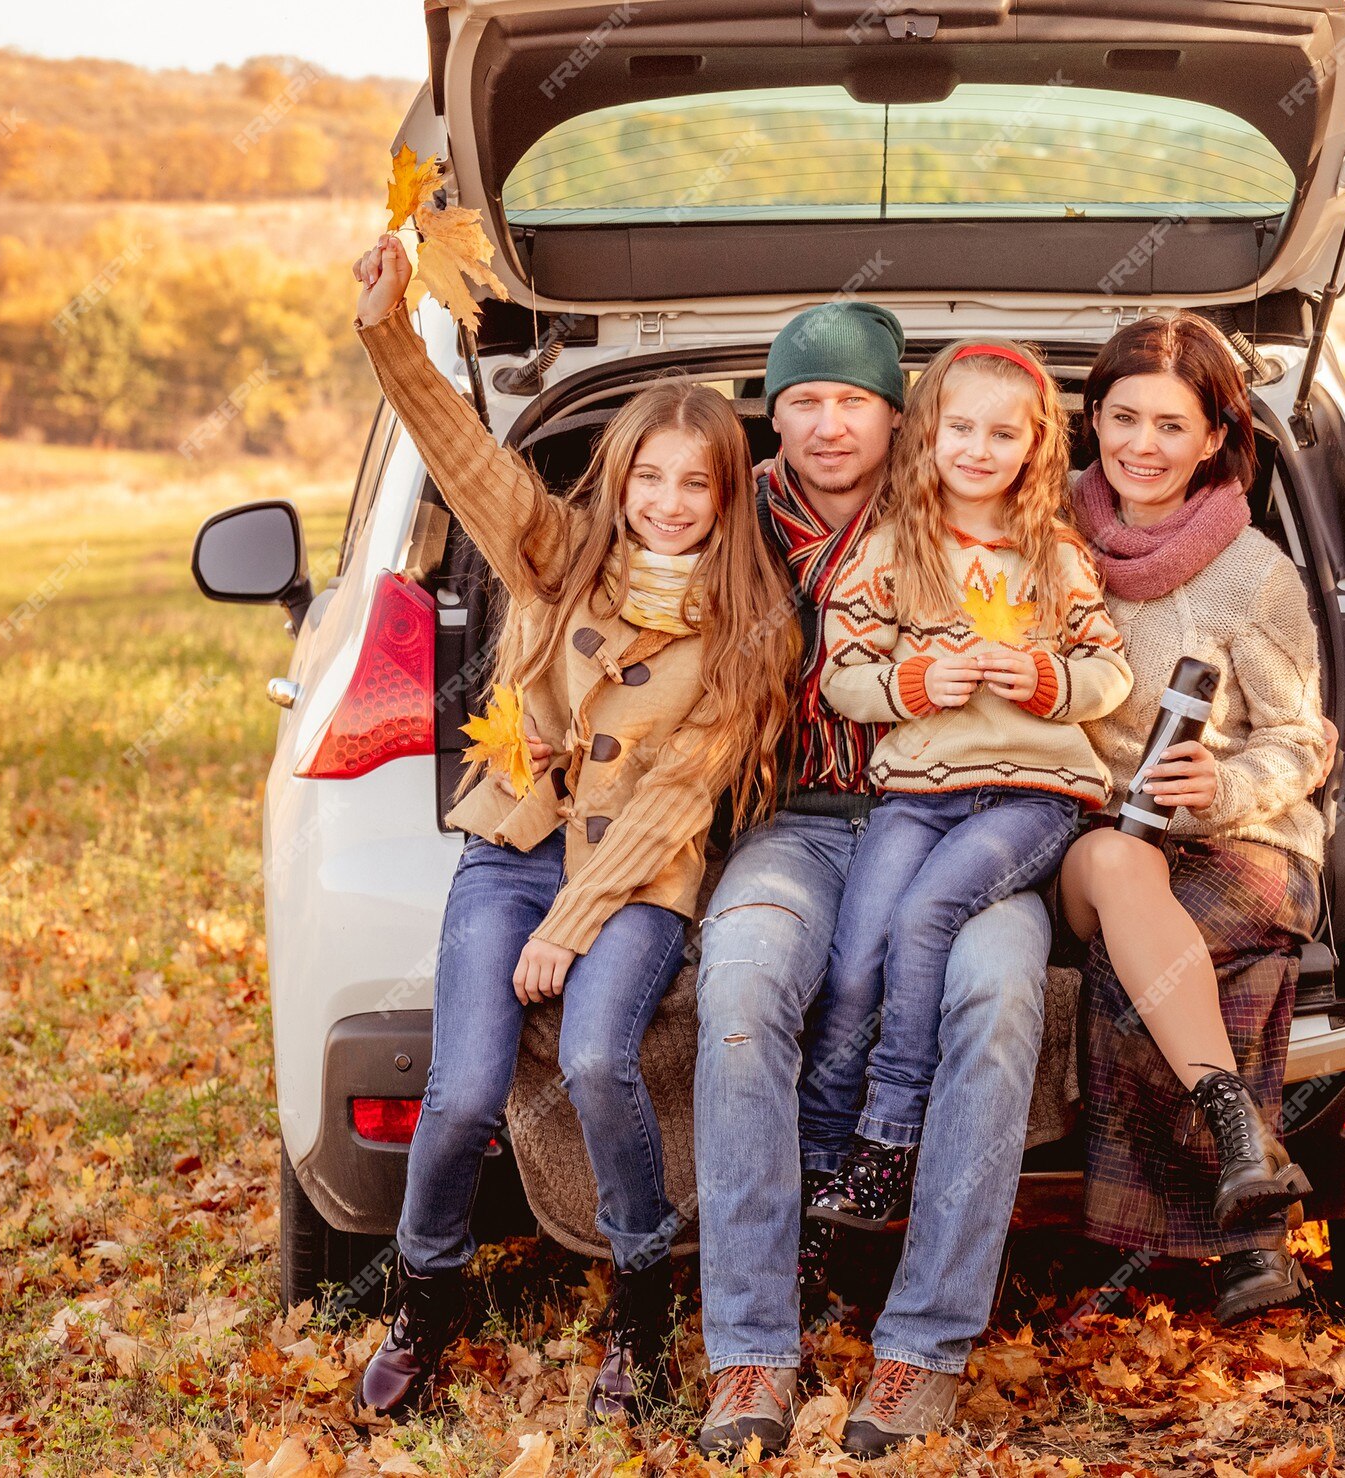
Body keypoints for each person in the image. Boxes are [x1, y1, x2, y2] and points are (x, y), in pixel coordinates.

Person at [346, 235, 797, 1419]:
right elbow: (457, 448)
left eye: (694, 481)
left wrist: (572, 922)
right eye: (649, 474)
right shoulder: (556, 552)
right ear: (618, 473)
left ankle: (641, 1305)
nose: (666, 500)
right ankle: (424, 1295)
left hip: (636, 872)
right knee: (459, 1091)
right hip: (515, 845)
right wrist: (391, 328)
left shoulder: (750, 627)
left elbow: (675, 796)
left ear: (727, 492)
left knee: (599, 1056)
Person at [691, 303, 1056, 1459]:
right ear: (772, 411)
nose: (826, 422)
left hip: (963, 825)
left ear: (900, 415)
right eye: (801, 398)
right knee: (743, 986)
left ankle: (920, 1349)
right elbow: (572, 553)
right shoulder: (724, 509)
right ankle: (750, 1339)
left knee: (998, 1001)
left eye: (853, 399)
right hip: (795, 825)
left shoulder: (968, 503)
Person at [804, 340, 1131, 1229]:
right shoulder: (888, 552)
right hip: (917, 790)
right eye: (961, 429)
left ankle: (888, 1138)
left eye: (1002, 433)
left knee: (926, 916)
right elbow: (841, 676)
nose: (979, 450)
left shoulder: (1055, 557)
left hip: (1032, 796)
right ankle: (824, 1169)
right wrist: (913, 686)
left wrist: (1040, 678)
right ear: (928, 434)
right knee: (855, 957)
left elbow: (1109, 675)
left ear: (1035, 447)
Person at [1058, 313, 1332, 1322]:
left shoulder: (1251, 570)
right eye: (1122, 417)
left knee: (1200, 945)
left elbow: (1302, 739)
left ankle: (1218, 1224)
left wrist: (1214, 790)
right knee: (1129, 894)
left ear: (1214, 436)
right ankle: (1245, 1220)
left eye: (1170, 425)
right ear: (1090, 419)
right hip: (1087, 835)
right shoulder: (1043, 543)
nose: (1141, 444)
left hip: (1237, 832)